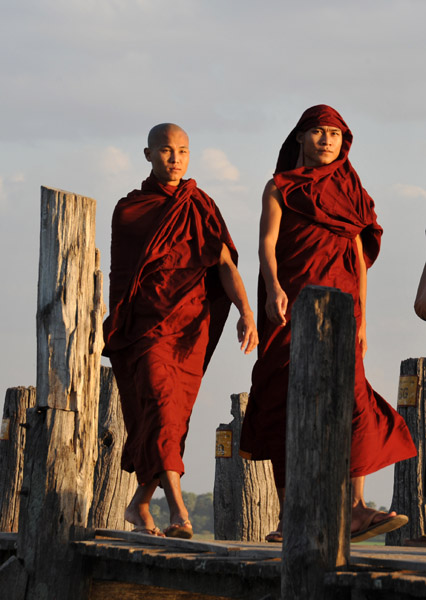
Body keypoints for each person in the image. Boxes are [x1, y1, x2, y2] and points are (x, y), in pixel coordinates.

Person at [239, 105, 417, 543]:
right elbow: (267, 242)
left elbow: (358, 259)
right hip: (291, 308)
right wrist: (273, 288)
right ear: (299, 137)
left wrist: (362, 320)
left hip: (342, 310)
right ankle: (287, 516)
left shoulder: (349, 189)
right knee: (282, 398)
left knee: (353, 398)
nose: (326, 140)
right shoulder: (279, 187)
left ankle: (354, 509)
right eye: (318, 132)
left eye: (335, 134)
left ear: (344, 142)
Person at [103, 123, 258, 539]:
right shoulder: (130, 210)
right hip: (145, 329)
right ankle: (178, 511)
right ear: (148, 154)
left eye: (183, 151)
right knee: (158, 402)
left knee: (169, 418)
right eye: (167, 151)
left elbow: (225, 264)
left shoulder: (200, 205)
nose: (175, 159)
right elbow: (124, 278)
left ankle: (139, 504)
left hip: (188, 328)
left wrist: (245, 310)